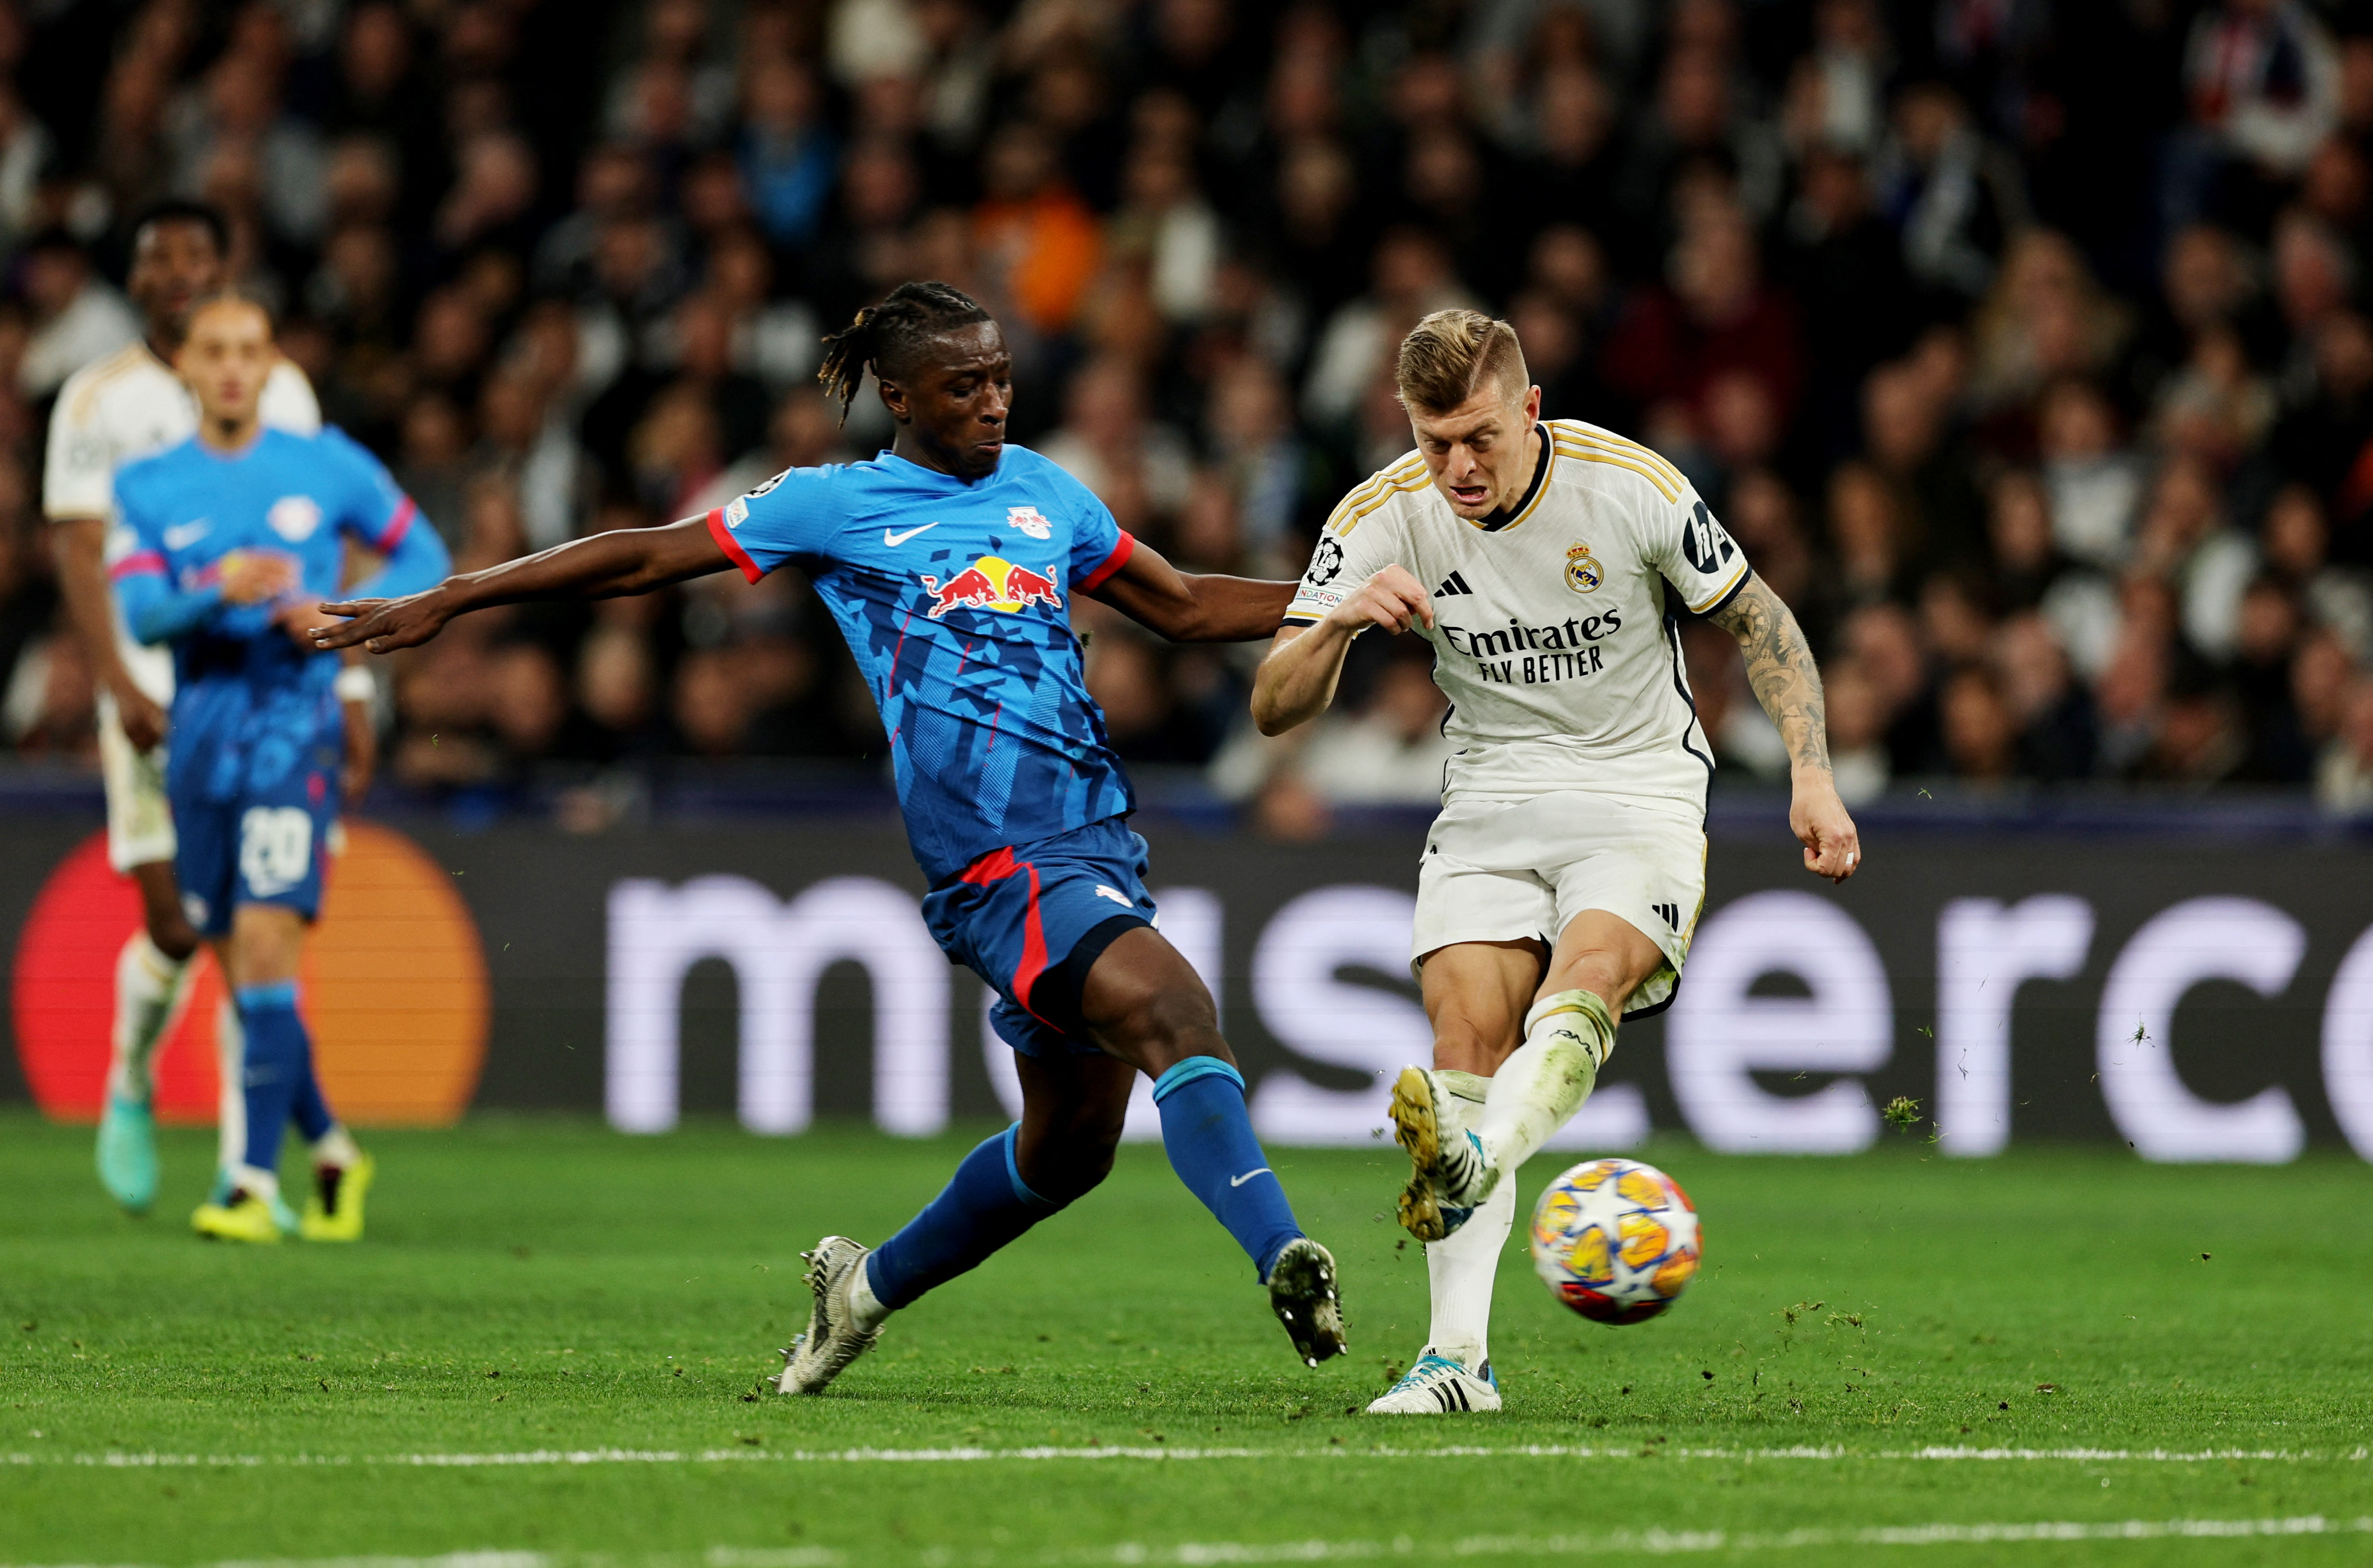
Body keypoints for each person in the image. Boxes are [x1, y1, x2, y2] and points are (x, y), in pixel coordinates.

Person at [315, 280, 1348, 1390]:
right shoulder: (836, 504)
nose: (995, 401)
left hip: (1096, 843)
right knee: (1176, 1011)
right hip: (998, 864)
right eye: (965, 385)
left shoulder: (1047, 490)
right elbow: (645, 557)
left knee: (1067, 1153)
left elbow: (1184, 605)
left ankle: (860, 1290)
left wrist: (1343, 600)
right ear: (899, 397)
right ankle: (1283, 1254)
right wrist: (461, 592)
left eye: (1001, 378)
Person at [1252, 309, 1860, 1416]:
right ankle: (1457, 1364)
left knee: (1583, 984)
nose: (1458, 466)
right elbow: (1272, 707)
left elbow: (1763, 623)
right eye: (1434, 442)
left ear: (1529, 408)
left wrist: (1811, 775)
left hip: (1637, 785)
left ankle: (1478, 1158)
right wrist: (1336, 627)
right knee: (1463, 1041)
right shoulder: (1380, 516)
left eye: (1479, 436)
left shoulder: (1629, 487)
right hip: (1491, 793)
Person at [109, 292, 451, 1243]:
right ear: (184, 366)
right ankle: (333, 1148)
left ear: (270, 366)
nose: (231, 367)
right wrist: (214, 591)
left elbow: (424, 553)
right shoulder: (147, 485)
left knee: (265, 947)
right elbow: (141, 617)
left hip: (293, 731)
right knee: (244, 971)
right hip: (200, 738)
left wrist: (337, 611)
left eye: (249, 351)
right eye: (214, 351)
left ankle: (250, 1183)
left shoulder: (326, 462)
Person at [42, 198, 358, 1218]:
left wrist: (350, 678)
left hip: (273, 693)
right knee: (181, 923)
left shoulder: (284, 387)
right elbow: (78, 549)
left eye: (196, 256)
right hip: (154, 682)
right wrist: (118, 682)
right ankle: (132, 1075)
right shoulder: (97, 400)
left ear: (225, 269)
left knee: (254, 929)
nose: (178, 271)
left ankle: (242, 1168)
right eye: (159, 257)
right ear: (134, 278)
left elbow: (327, 540)